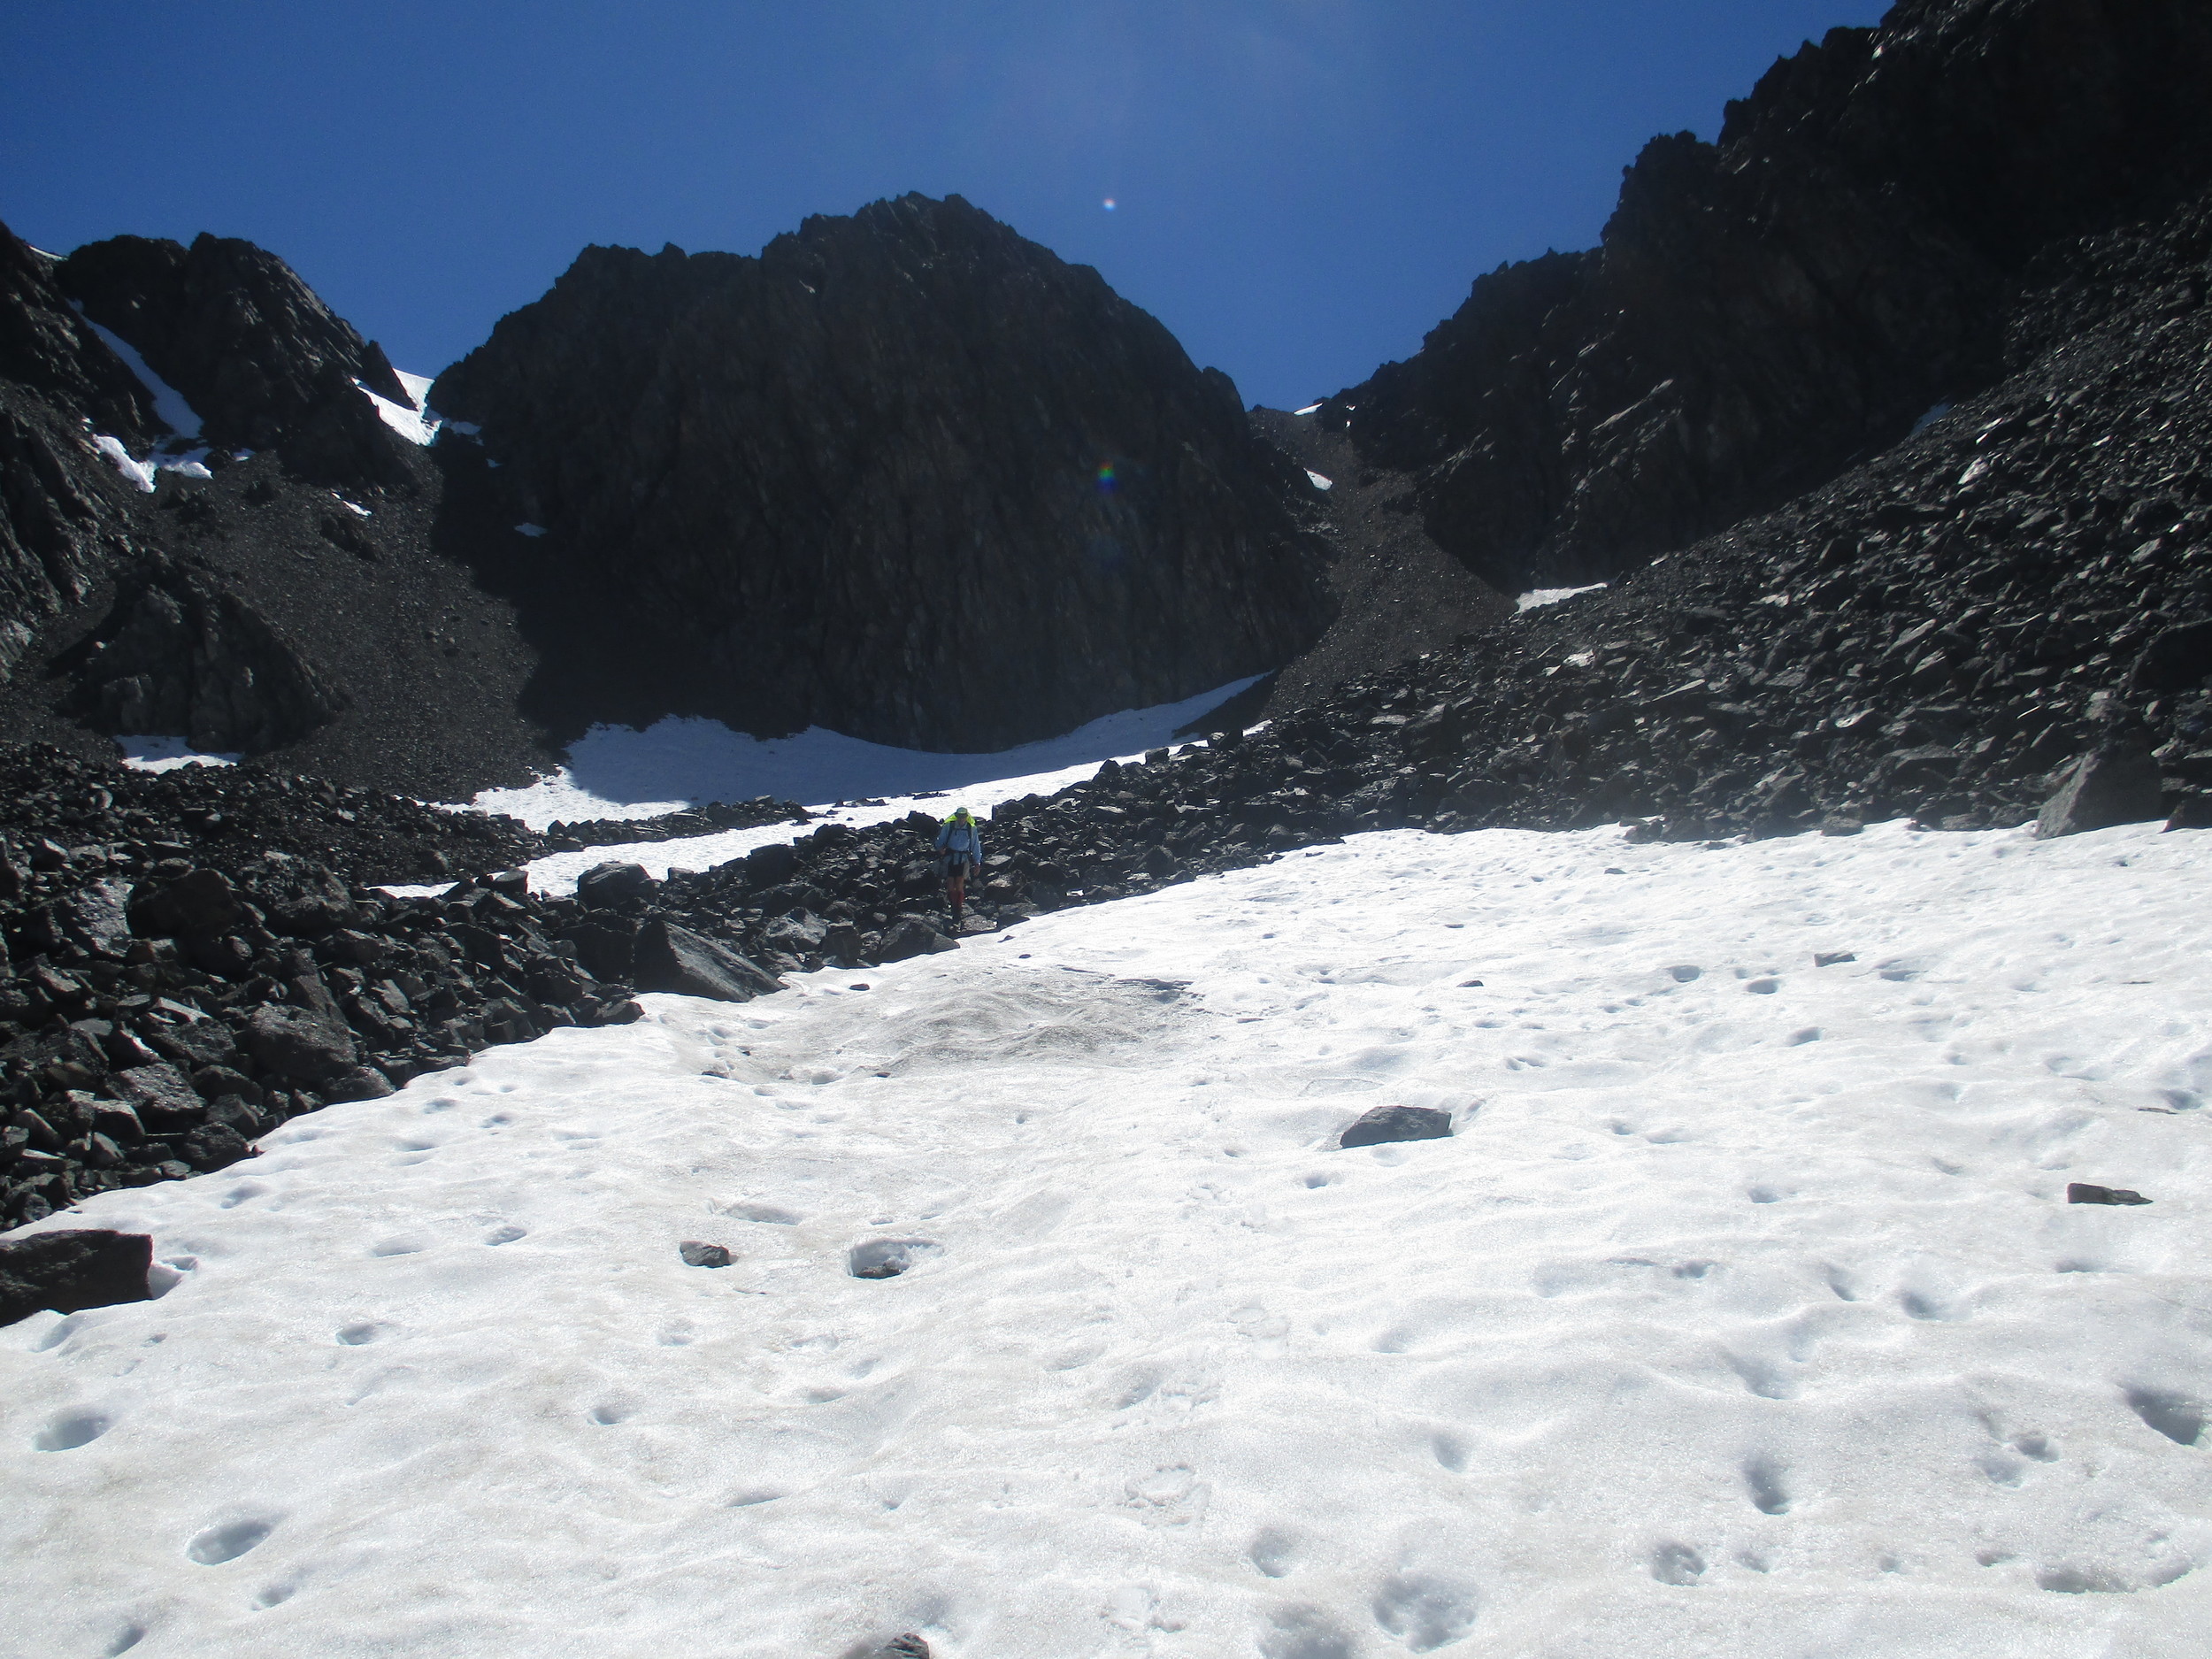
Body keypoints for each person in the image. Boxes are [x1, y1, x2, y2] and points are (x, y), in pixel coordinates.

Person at [934, 806, 984, 925]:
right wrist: (940, 848)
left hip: (963, 858)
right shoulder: (949, 826)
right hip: (950, 857)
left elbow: (975, 846)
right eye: (959, 817)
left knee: (960, 882)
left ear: (967, 817)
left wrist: (977, 863)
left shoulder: (971, 829)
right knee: (951, 882)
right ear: (956, 816)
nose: (961, 819)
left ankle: (958, 909)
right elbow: (940, 841)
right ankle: (954, 907)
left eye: (963, 817)